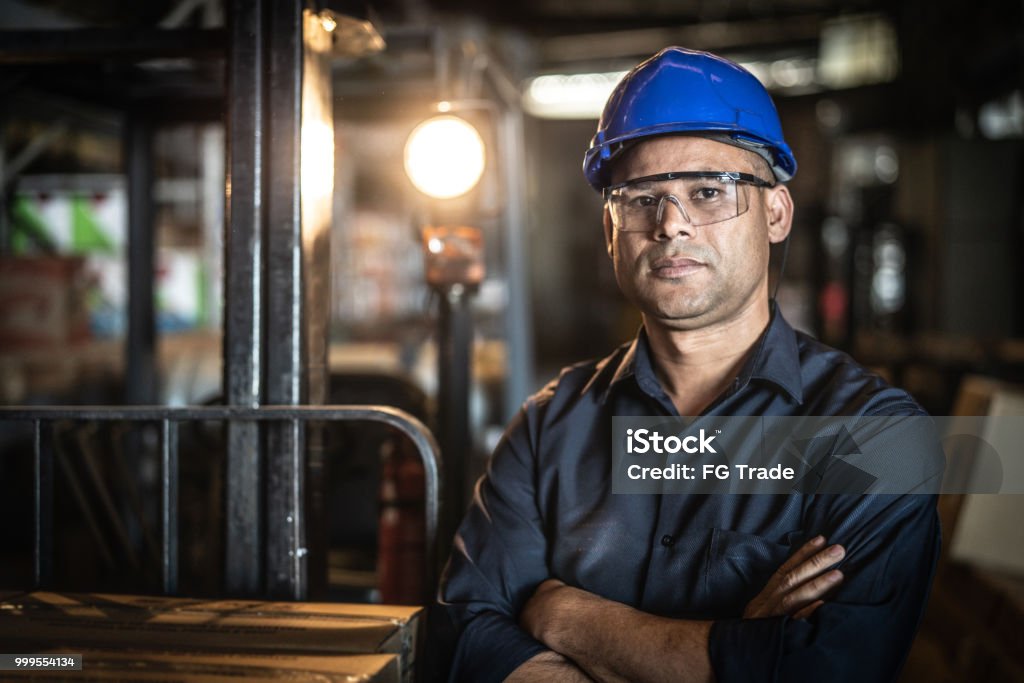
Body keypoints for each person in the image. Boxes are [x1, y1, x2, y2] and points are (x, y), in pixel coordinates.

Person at [437, 46, 941, 682]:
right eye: (641, 197)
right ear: (610, 231)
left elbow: (828, 667)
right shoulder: (547, 429)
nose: (671, 224)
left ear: (776, 213)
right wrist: (734, 651)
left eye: (708, 192)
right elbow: (466, 638)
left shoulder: (876, 436)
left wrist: (564, 615)